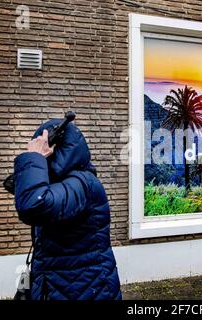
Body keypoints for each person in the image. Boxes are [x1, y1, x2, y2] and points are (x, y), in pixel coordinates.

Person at [13, 119, 121, 300]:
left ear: (53, 149)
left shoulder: (82, 183)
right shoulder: (60, 184)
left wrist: (35, 158)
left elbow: (33, 205)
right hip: (62, 285)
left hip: (83, 289)